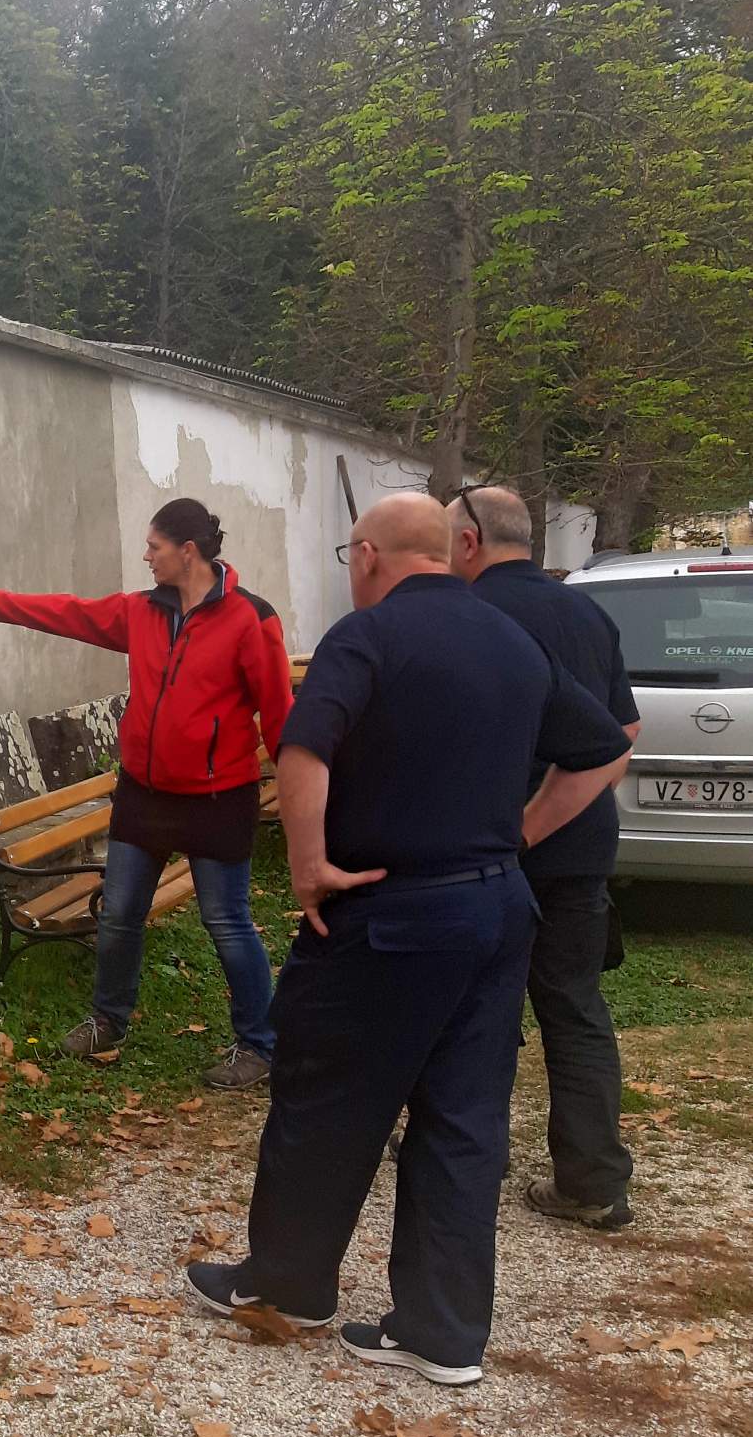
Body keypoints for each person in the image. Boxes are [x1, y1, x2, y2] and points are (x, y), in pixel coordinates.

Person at [187, 494, 632, 1386]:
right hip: (497, 912)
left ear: (371, 557)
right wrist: (521, 835)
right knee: (464, 1118)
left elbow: (303, 749)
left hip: (389, 914)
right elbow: (604, 748)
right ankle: (442, 1329)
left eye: (352, 551)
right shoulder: (514, 638)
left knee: (324, 1097)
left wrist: (308, 864)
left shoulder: (369, 636)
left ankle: (290, 1281)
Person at [0, 499, 293, 1089]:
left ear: (186, 551)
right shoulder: (142, 612)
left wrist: (301, 809)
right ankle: (108, 1022)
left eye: (154, 547)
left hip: (219, 800)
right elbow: (67, 613)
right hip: (144, 796)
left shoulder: (251, 618)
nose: (145, 556)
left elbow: (278, 715)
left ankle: (260, 1045)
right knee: (119, 914)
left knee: (228, 922)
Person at [448, 486, 643, 1229]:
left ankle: (463, 1151)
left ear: (469, 541)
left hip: (489, 845)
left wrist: (520, 829)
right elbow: (621, 731)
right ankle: (593, 1180)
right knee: (574, 1004)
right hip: (583, 847)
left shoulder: (472, 617)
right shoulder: (587, 612)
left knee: (470, 1006)